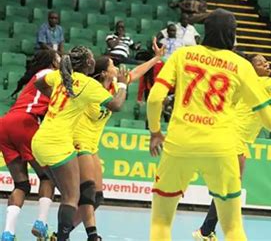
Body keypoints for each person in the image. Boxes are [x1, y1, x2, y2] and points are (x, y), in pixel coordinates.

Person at [146, 8, 271, 240]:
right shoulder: (242, 66)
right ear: (233, 35)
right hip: (221, 149)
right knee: (233, 227)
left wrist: (156, 132)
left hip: (179, 144)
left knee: (161, 222)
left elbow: (155, 98)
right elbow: (267, 119)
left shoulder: (182, 55)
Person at [192, 53, 271, 240]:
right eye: (261, 63)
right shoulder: (260, 82)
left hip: (237, 140)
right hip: (233, 139)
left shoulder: (259, 90)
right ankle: (209, 232)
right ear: (252, 69)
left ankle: (206, 231)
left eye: (266, 61)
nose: (266, 64)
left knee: (229, 187)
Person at [70, 38, 165, 240]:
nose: (117, 67)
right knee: (87, 194)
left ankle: (66, 231)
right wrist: (122, 86)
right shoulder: (90, 89)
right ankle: (90, 235)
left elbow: (136, 73)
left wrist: (157, 58)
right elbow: (116, 104)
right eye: (112, 65)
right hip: (79, 143)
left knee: (96, 197)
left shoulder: (113, 85)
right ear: (104, 72)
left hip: (92, 146)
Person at [31, 46, 128, 240]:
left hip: (41, 140)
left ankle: (62, 232)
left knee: (78, 192)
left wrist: (57, 99)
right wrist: (124, 85)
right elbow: (116, 105)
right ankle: (61, 238)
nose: (93, 60)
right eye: (91, 58)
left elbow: (39, 83)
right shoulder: (87, 84)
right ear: (88, 63)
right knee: (72, 197)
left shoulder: (61, 76)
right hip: (57, 142)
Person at [0, 51, 59, 241]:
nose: (60, 60)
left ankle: (8, 233)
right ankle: (41, 224)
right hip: (24, 122)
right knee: (48, 177)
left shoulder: (34, 78)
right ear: (52, 61)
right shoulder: (49, 74)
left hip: (5, 124)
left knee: (22, 184)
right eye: (58, 58)